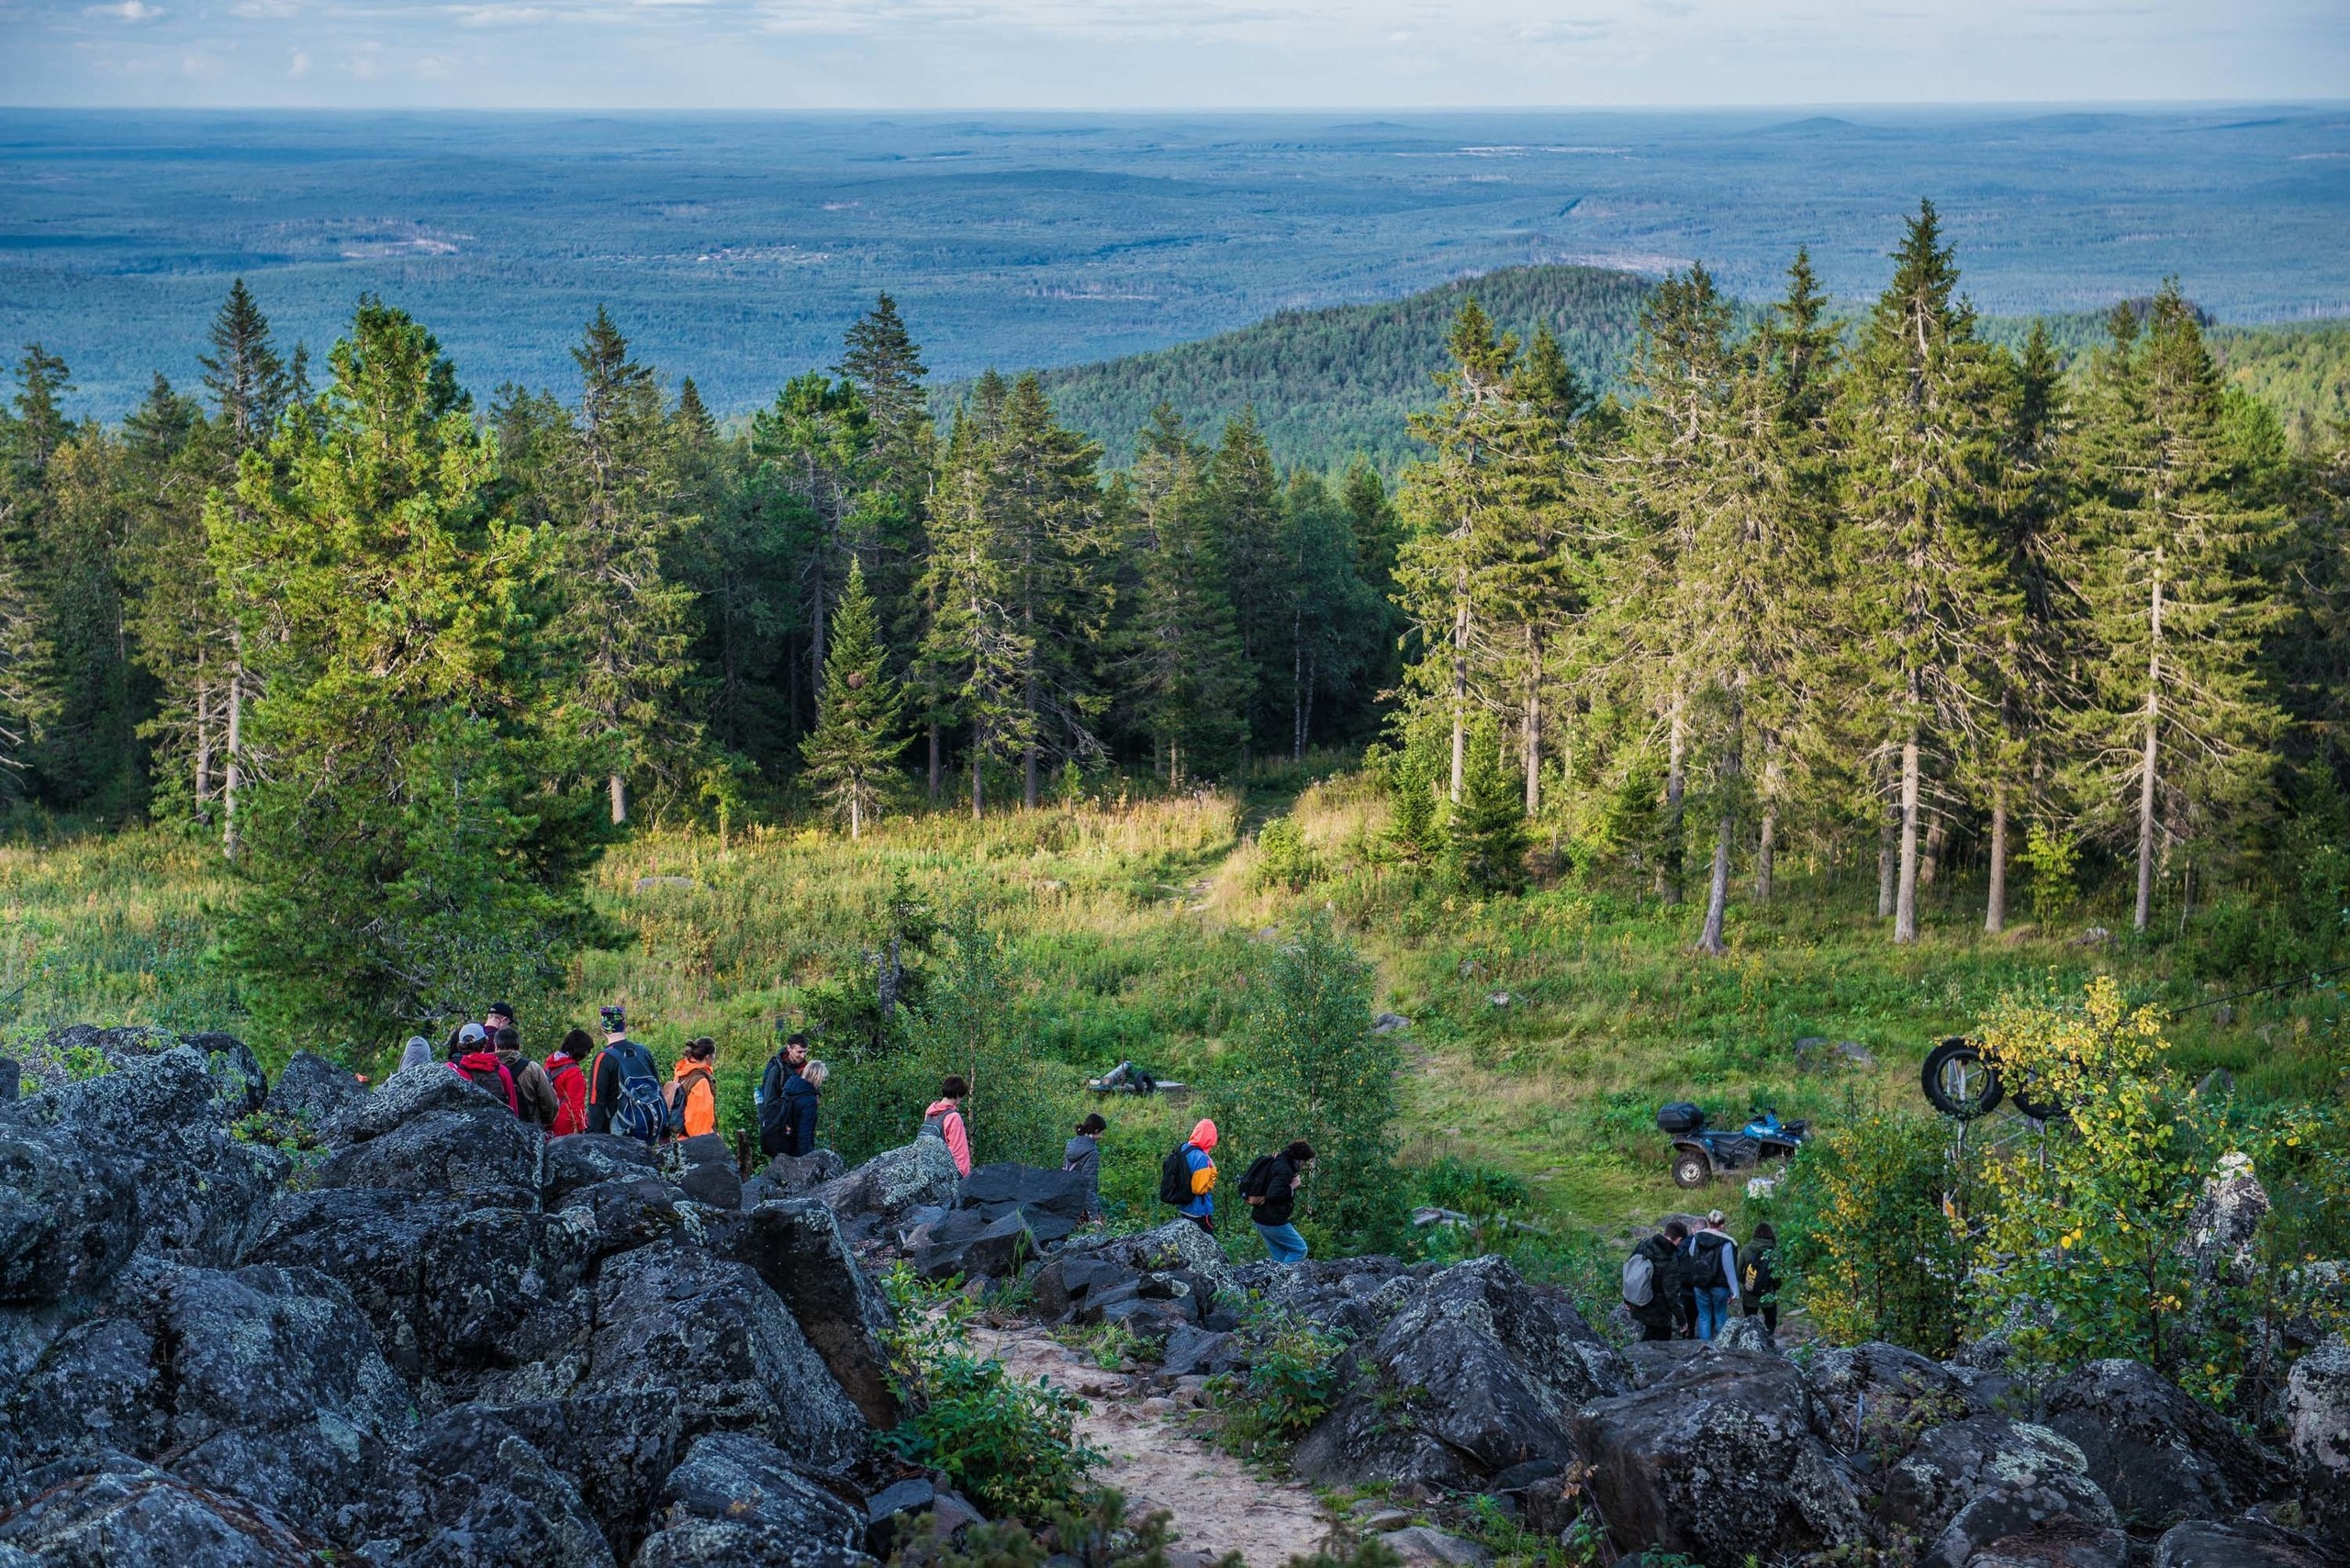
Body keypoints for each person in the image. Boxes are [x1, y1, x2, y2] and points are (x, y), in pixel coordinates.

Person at [588, 1004, 672, 1144]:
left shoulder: (602, 1059)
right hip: (648, 1126)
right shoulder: (643, 1051)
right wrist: (665, 1130)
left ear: (602, 1028)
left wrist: (594, 1137)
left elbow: (596, 1100)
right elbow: (657, 1089)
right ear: (624, 1024)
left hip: (619, 1132)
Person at [1245, 1140, 1315, 1263]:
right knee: (1300, 1249)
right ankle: (1286, 1280)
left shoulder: (1277, 1160)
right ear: (1299, 1159)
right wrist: (1292, 1186)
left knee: (1280, 1257)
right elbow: (1273, 1194)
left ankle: (1280, 1280)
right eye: (1304, 1162)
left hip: (1260, 1217)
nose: (1303, 1165)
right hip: (1272, 1219)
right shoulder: (1285, 1169)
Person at [1683, 1209, 1741, 1340]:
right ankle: (1721, 1347)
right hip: (1720, 1285)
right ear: (1722, 1225)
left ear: (1708, 1223)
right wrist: (1735, 1290)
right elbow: (1729, 1267)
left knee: (1704, 1317)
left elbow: (1692, 1253)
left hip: (1700, 1283)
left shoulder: (1697, 1237)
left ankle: (1705, 1348)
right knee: (1720, 1316)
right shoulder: (1727, 1242)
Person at [1626, 1221, 1687, 1342]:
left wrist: (1627, 1299)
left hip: (1638, 1303)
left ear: (1666, 1232)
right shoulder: (1670, 1259)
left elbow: (1630, 1270)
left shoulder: (1643, 1244)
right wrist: (1682, 1321)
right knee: (1660, 1349)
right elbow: (1671, 1295)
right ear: (1679, 1239)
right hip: (1659, 1315)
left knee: (1642, 1343)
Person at [756, 1029, 811, 1157]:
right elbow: (769, 1101)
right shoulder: (777, 1070)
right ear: (789, 1048)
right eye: (799, 1052)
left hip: (799, 1124)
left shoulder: (805, 1069)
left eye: (805, 1052)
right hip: (781, 1126)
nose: (802, 1056)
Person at [496, 1025, 559, 1131]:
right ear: (519, 1046)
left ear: (496, 1046)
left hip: (498, 1130)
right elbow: (550, 1103)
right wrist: (544, 1122)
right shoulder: (532, 1068)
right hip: (529, 1130)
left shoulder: (487, 1068)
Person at [450, 1024, 519, 1114]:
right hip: (500, 1122)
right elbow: (513, 1107)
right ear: (485, 1042)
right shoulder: (501, 1070)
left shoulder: (454, 1072)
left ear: (460, 1045)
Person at [921, 1077, 973, 1177]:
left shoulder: (930, 1111)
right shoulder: (953, 1117)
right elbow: (959, 1151)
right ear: (958, 1095)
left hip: (926, 1169)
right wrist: (964, 1177)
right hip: (945, 1173)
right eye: (962, 1096)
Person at [669, 1037, 718, 1139]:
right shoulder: (701, 1081)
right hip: (695, 1142)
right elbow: (699, 1122)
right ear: (708, 1057)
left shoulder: (682, 1072)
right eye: (714, 1055)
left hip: (681, 1137)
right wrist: (710, 1142)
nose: (714, 1057)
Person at [545, 1028, 591, 1137]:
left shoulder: (550, 1063)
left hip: (548, 1118)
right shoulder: (574, 1072)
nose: (587, 1054)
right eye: (587, 1051)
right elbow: (576, 1104)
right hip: (566, 1124)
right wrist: (582, 1127)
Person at [1178, 1118, 1218, 1234]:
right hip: (1198, 1211)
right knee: (1208, 1245)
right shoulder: (1201, 1157)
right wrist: (1213, 1173)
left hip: (1184, 1206)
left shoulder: (1184, 1148)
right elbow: (1199, 1189)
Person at [1064, 1113, 1107, 1221]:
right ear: (1096, 1130)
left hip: (1066, 1199)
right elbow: (1088, 1187)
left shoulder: (1071, 1144)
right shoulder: (1092, 1153)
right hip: (1080, 1204)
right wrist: (1094, 1218)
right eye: (1102, 1131)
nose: (1102, 1135)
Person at [778, 1057, 824, 1157]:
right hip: (796, 1152)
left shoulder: (790, 1089)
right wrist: (807, 1160)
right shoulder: (809, 1100)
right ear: (818, 1078)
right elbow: (804, 1135)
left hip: (782, 1146)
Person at [1742, 1221, 1781, 1338]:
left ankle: (1750, 1344)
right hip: (1768, 1295)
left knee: (1749, 1323)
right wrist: (1776, 1287)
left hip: (1749, 1294)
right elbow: (1777, 1275)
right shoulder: (1774, 1252)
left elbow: (1739, 1271)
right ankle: (1768, 1345)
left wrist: (1746, 1283)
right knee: (1770, 1324)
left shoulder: (1746, 1250)